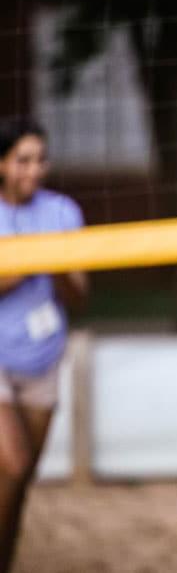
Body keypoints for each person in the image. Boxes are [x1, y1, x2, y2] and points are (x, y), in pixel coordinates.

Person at [0, 117, 87, 572]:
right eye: (23, 160)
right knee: (11, 467)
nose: (33, 169)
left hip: (43, 355)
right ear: (2, 163)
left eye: (40, 160)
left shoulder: (62, 212)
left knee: (18, 486)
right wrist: (33, 260)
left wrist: (56, 267)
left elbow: (78, 294)